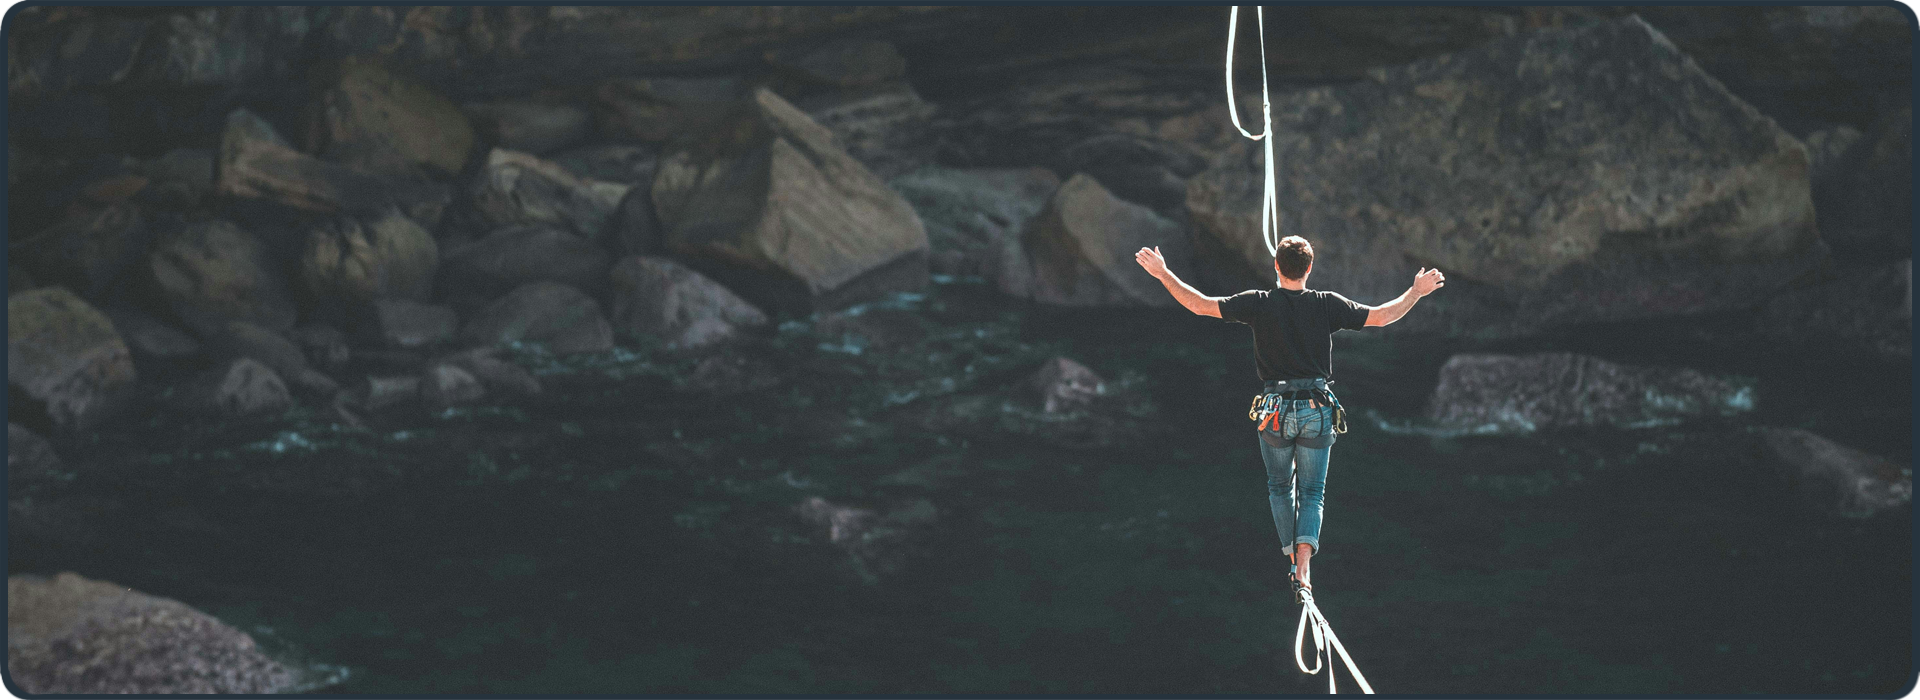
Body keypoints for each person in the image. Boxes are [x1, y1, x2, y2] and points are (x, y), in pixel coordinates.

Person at [1134, 236, 1444, 593]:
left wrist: (1163, 273)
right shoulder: (1328, 304)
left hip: (1275, 411)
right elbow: (1382, 317)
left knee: (1280, 488)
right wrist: (1417, 291)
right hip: (1316, 407)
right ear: (1310, 268)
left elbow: (1200, 305)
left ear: (1276, 267)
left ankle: (1292, 559)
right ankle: (1304, 567)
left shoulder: (1258, 303)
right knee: (1313, 493)